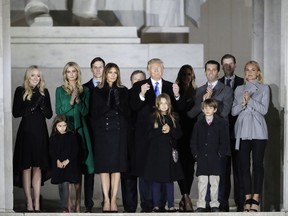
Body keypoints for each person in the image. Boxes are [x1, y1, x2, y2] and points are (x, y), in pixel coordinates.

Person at [130, 58, 185, 212]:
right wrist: (141, 94)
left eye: (159, 69)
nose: (156, 71)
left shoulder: (170, 86)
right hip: (145, 136)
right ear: (148, 70)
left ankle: (165, 204)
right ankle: (148, 205)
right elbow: (133, 107)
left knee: (164, 170)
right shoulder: (139, 86)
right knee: (146, 171)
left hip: (165, 140)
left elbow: (180, 108)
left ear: (163, 69)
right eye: (153, 69)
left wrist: (177, 95)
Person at [187, 60, 233, 211]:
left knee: (217, 177)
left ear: (218, 73)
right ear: (205, 72)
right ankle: (203, 205)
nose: (211, 72)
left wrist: (211, 103)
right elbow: (192, 113)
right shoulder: (199, 90)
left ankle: (218, 205)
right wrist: (202, 101)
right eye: (208, 70)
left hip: (218, 137)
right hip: (202, 138)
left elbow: (225, 113)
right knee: (203, 178)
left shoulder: (226, 90)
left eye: (214, 70)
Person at [12, 65, 53, 212]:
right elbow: (15, 113)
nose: (35, 78)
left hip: (40, 133)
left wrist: (42, 106)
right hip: (26, 132)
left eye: (38, 76)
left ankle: (37, 202)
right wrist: (31, 107)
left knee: (37, 167)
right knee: (26, 167)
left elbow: (49, 114)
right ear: (28, 77)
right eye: (32, 75)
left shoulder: (44, 92)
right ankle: (28, 201)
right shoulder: (20, 91)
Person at [55, 61, 94, 212]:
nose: (71, 74)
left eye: (74, 71)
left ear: (78, 73)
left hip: (81, 130)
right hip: (65, 130)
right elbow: (59, 110)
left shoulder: (85, 90)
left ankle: (78, 203)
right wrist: (71, 99)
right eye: (68, 72)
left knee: (78, 166)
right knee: (67, 167)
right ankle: (68, 204)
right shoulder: (59, 90)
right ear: (65, 74)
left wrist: (77, 99)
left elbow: (85, 112)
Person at [91, 62, 130, 212]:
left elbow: (127, 112)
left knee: (117, 168)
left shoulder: (123, 90)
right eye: (110, 72)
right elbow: (94, 114)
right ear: (105, 73)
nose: (113, 75)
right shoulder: (97, 91)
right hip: (103, 133)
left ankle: (113, 200)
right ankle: (106, 200)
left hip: (119, 132)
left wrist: (117, 99)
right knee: (104, 169)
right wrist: (109, 99)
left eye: (115, 72)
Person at [231, 60, 269, 212]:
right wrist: (242, 103)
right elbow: (233, 111)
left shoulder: (264, 88)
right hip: (242, 130)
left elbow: (264, 110)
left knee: (258, 164)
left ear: (258, 72)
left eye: (253, 70)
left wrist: (250, 101)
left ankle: (256, 199)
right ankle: (247, 199)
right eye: (247, 69)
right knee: (243, 166)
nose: (250, 72)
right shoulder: (239, 89)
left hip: (258, 130)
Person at [144, 93, 183, 212]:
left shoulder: (174, 117)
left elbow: (179, 134)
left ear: (169, 104)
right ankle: (156, 204)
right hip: (156, 154)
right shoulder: (152, 117)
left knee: (169, 181)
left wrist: (170, 130)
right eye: (161, 103)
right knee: (156, 181)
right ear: (157, 105)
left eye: (166, 103)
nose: (164, 106)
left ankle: (170, 204)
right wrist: (161, 130)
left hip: (169, 154)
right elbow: (148, 135)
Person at [191, 98, 229, 212]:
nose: (208, 110)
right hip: (202, 158)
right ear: (202, 109)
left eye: (210, 108)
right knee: (202, 183)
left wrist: (220, 154)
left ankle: (214, 205)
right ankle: (201, 205)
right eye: (205, 108)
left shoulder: (221, 123)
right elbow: (193, 141)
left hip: (215, 158)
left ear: (215, 109)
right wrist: (196, 155)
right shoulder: (198, 124)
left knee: (214, 183)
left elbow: (224, 141)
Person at [218, 54, 245, 212]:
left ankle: (241, 203)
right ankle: (223, 204)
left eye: (230, 64)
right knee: (223, 171)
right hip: (222, 135)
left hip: (240, 132)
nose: (228, 66)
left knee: (240, 169)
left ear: (235, 65)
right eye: (225, 64)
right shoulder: (217, 84)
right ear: (222, 66)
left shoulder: (243, 83)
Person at [120, 70, 146, 213]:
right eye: (135, 80)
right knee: (128, 177)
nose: (138, 82)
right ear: (131, 82)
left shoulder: (150, 95)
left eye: (141, 79)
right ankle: (129, 208)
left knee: (145, 177)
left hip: (144, 141)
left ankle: (146, 206)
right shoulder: (126, 94)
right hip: (128, 141)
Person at [83, 56, 105, 213]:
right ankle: (88, 204)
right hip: (89, 133)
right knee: (89, 170)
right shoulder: (84, 88)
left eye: (100, 67)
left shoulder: (110, 86)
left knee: (106, 168)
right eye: (95, 67)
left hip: (106, 135)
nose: (98, 70)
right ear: (91, 69)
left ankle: (107, 201)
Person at [175, 64, 197, 212]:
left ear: (192, 76)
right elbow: (178, 110)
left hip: (192, 134)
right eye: (184, 74)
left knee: (189, 168)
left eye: (189, 74)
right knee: (180, 167)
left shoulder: (196, 92)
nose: (186, 77)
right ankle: (185, 197)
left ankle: (186, 196)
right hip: (178, 134)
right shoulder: (175, 91)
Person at [49, 115, 82, 213]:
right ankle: (65, 206)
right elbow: (51, 151)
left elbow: (75, 150)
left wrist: (67, 161)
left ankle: (65, 207)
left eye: (64, 125)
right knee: (61, 185)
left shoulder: (72, 136)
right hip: (59, 165)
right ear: (55, 126)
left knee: (66, 183)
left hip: (69, 165)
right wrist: (57, 161)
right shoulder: (53, 138)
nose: (62, 128)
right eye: (60, 126)